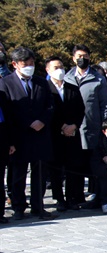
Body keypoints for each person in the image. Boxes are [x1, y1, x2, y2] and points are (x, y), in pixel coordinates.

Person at [0, 46, 54, 220]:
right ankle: (18, 207)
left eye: (32, 63)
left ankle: (39, 207)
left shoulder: (41, 82)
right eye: (25, 63)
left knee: (39, 172)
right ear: (15, 64)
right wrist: (27, 123)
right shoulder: (6, 82)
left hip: (40, 134)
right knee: (18, 173)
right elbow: (8, 111)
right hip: (19, 136)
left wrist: (42, 121)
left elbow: (50, 106)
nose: (29, 66)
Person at [64, 44, 107, 207]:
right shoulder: (67, 77)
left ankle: (98, 197)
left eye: (85, 55)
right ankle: (73, 197)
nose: (82, 59)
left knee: (94, 164)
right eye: (78, 56)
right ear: (73, 58)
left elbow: (105, 103)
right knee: (73, 164)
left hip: (92, 127)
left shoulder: (98, 78)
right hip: (72, 129)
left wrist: (104, 124)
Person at [45, 56, 86, 211]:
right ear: (48, 70)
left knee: (72, 166)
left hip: (72, 134)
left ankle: (71, 197)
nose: (60, 70)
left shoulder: (72, 88)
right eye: (56, 67)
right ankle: (59, 198)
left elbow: (81, 110)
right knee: (56, 168)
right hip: (55, 134)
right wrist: (62, 126)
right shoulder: (46, 88)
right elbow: (48, 111)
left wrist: (73, 126)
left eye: (61, 66)